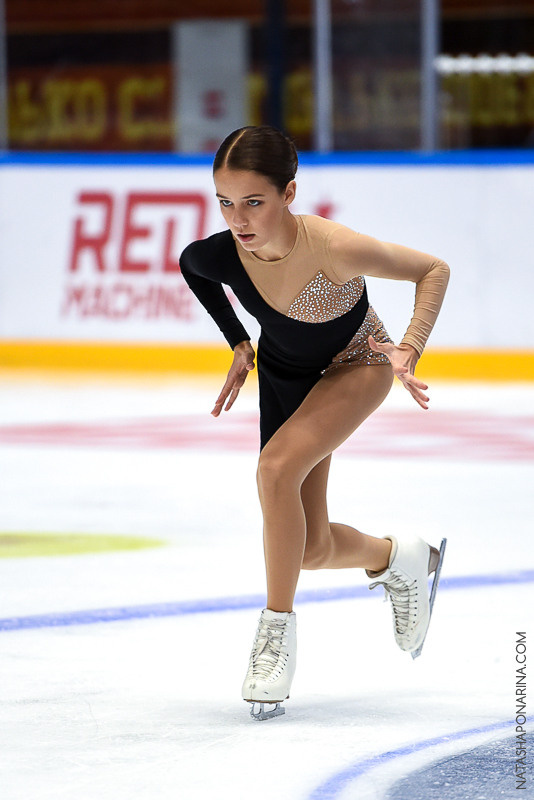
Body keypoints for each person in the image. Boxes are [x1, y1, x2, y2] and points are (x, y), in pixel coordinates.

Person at [180, 125, 449, 721]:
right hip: (285, 377)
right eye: (225, 202)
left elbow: (432, 269)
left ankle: (275, 637)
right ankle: (398, 557)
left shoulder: (333, 246)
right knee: (308, 546)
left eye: (255, 201)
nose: (239, 219)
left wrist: (408, 345)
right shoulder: (222, 253)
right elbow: (191, 266)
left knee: (275, 470)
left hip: (356, 363)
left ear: (289, 193)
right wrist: (238, 343)